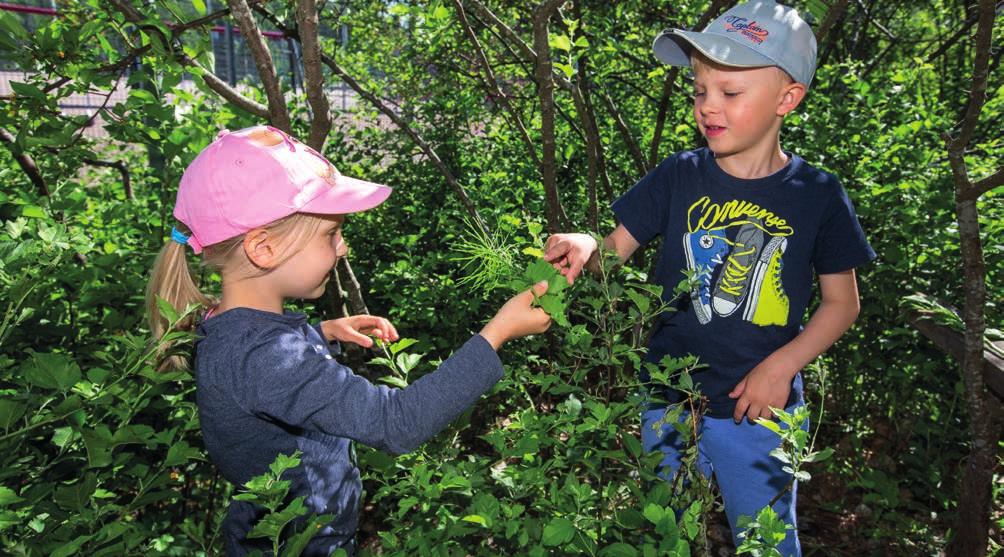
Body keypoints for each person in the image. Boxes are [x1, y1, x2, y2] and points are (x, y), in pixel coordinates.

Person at [543, 2, 874, 554]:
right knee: (663, 534)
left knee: (765, 542)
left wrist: (782, 366)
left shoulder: (817, 195)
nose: (707, 106)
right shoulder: (680, 175)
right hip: (667, 398)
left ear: (787, 100)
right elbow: (612, 252)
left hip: (759, 408)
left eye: (730, 92)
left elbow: (843, 303)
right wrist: (584, 247)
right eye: (699, 90)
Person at [146, 125, 551, 556]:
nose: (342, 249)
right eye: (330, 235)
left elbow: (257, 375)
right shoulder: (267, 357)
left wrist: (319, 335)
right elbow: (395, 423)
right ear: (262, 248)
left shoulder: (228, 327)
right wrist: (496, 333)